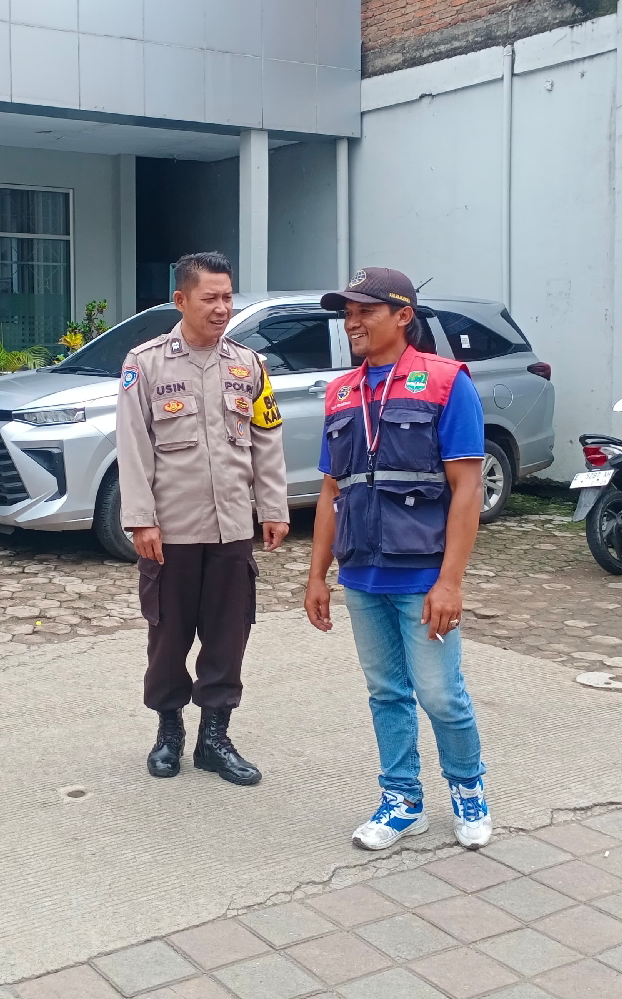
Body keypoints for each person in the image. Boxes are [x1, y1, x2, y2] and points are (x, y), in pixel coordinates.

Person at [303, 267, 493, 850]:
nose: (352, 322)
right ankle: (402, 800)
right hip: (362, 574)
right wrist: (317, 575)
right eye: (348, 312)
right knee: (386, 692)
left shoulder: (445, 383)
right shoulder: (341, 392)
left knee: (440, 694)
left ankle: (468, 788)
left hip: (423, 574)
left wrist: (450, 582)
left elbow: (467, 488)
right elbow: (332, 490)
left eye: (366, 311)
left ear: (403, 316)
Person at [116, 252, 289, 785]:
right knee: (168, 637)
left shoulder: (249, 365)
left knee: (228, 635)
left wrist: (273, 507)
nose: (221, 308)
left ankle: (215, 737)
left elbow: (267, 438)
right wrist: (141, 520)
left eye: (227, 297)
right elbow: (133, 446)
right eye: (209, 298)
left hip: (232, 528)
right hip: (171, 531)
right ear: (181, 300)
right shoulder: (145, 364)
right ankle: (169, 731)